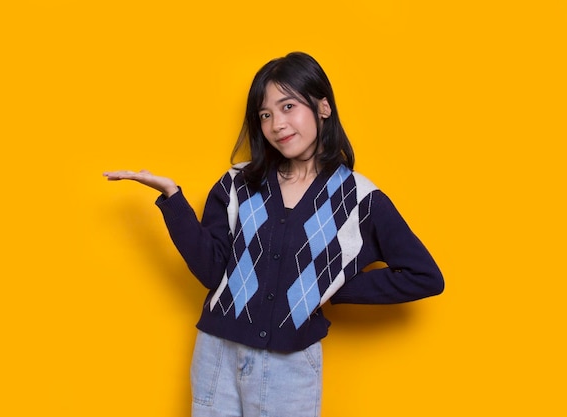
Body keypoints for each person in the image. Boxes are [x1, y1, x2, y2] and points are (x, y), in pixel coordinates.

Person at [103, 52, 444, 417]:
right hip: (216, 356)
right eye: (265, 115)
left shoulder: (359, 198)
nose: (277, 124)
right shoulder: (237, 183)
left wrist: (324, 285)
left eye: (288, 107)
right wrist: (172, 199)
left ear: (323, 107)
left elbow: (424, 277)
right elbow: (212, 272)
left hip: (290, 367)